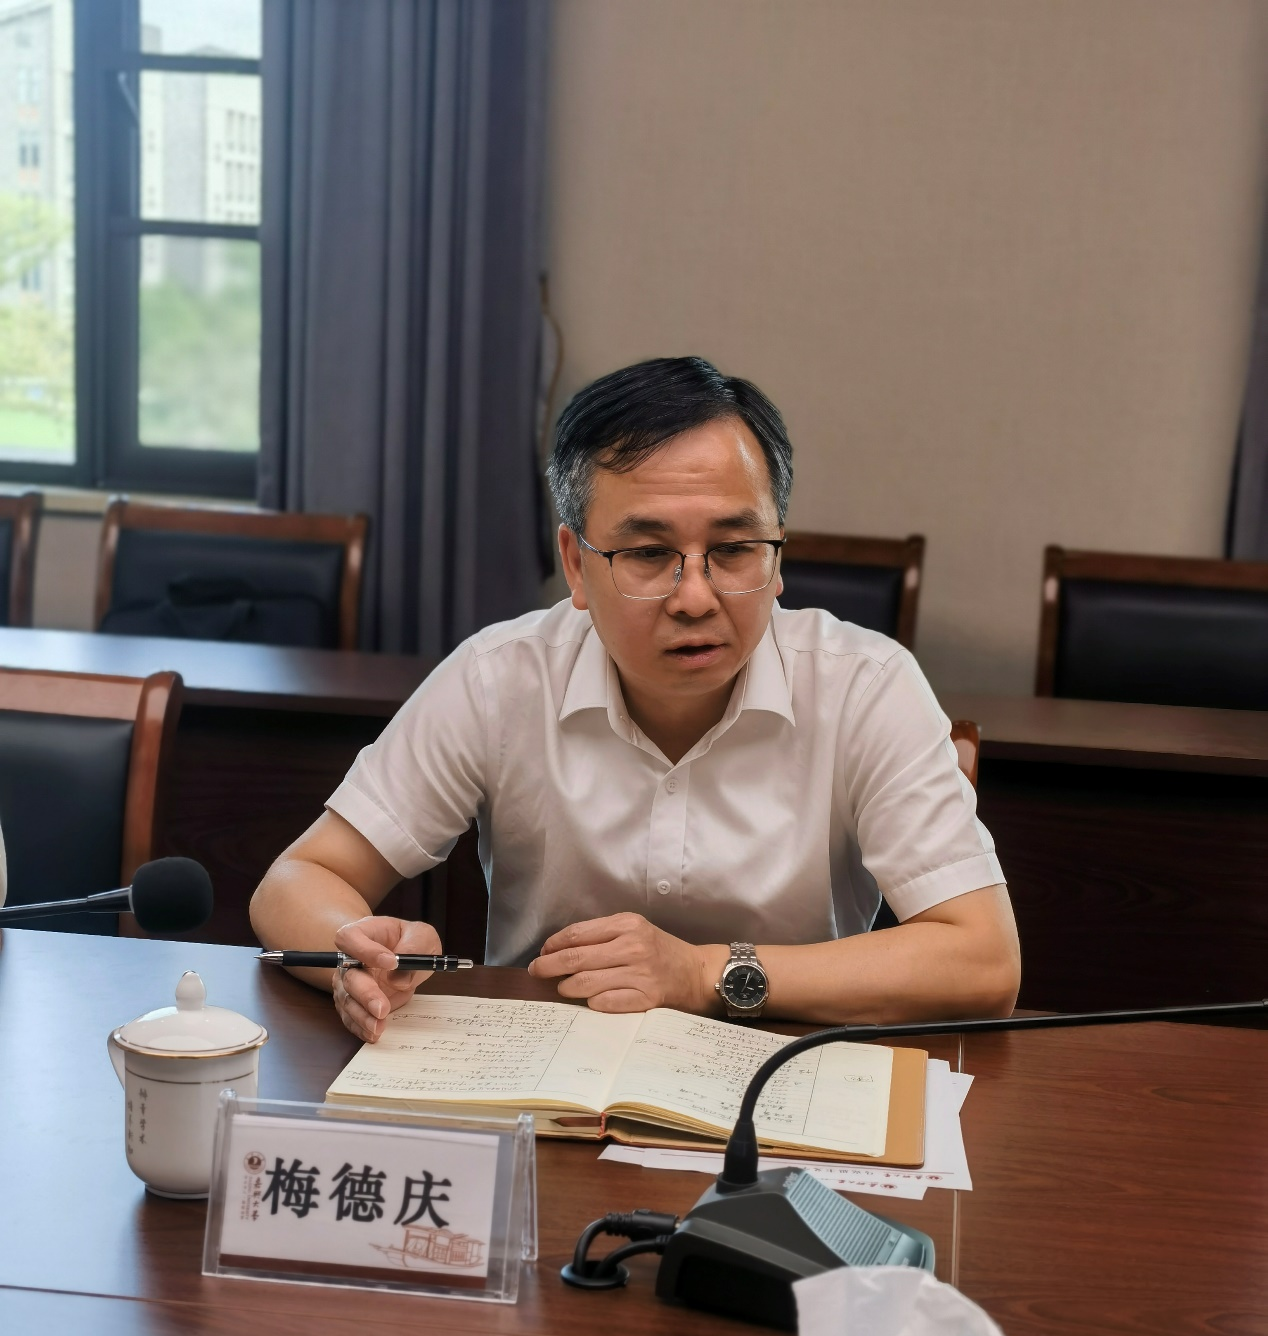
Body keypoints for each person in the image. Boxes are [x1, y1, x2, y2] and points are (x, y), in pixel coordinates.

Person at [251, 356, 1020, 1043]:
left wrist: (704, 972)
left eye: (734, 549)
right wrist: (356, 951)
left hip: (784, 1075)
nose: (695, 596)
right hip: (542, 1078)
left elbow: (983, 959)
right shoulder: (500, 677)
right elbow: (296, 880)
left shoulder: (866, 685)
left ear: (779, 553)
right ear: (575, 564)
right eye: (650, 553)